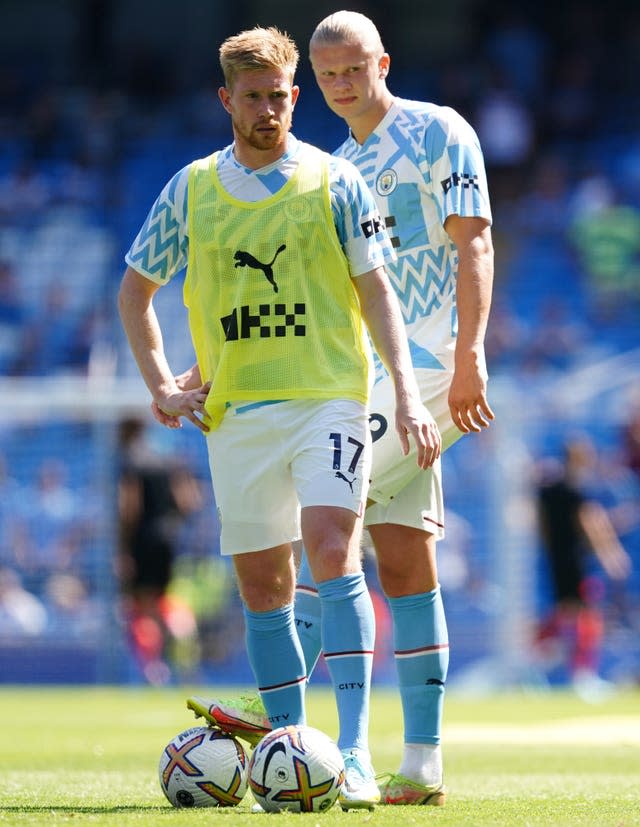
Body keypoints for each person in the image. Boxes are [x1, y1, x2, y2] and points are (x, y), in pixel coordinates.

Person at [118, 26, 439, 810]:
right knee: (264, 582)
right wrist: (162, 384)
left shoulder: (335, 182)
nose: (271, 109)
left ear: (296, 96)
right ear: (227, 99)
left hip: (329, 396)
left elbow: (377, 295)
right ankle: (290, 750)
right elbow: (136, 290)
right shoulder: (191, 188)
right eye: (255, 96)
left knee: (334, 548)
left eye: (281, 96)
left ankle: (355, 750)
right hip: (236, 415)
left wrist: (401, 389)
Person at [194, 11, 495, 808]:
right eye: (327, 75)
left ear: (382, 61)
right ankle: (422, 761)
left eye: (354, 67)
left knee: (319, 513)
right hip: (361, 375)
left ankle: (280, 696)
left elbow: (474, 243)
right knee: (399, 554)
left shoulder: (439, 132)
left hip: (427, 370)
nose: (341, 83)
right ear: (312, 85)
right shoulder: (334, 165)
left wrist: (469, 356)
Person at [535, 437, 631, 699]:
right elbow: (591, 524)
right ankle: (582, 674)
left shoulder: (548, 490)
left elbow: (540, 525)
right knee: (587, 617)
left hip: (555, 561)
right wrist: (610, 554)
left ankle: (539, 662)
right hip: (577, 562)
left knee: (564, 614)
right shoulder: (577, 492)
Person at [117, 417, 202, 684]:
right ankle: (187, 659)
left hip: (142, 540)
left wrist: (123, 547)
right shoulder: (167, 461)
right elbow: (189, 503)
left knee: (141, 606)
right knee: (163, 603)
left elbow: (129, 509)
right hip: (169, 538)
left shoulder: (132, 461)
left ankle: (153, 668)